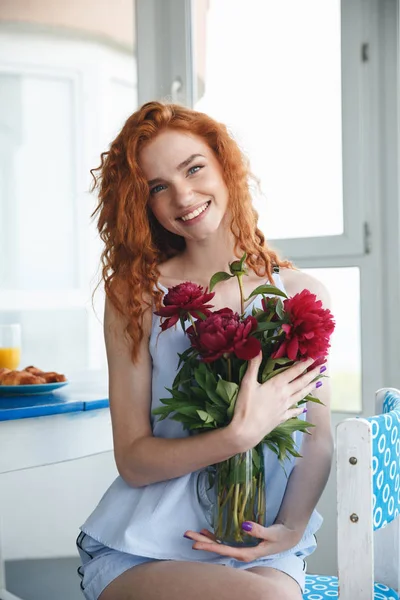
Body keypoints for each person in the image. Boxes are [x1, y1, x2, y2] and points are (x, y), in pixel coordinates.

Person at [76, 101, 334, 600]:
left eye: (194, 169)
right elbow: (133, 460)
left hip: (260, 545)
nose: (183, 195)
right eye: (158, 187)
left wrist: (293, 529)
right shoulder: (135, 294)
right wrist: (239, 435)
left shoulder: (301, 295)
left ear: (224, 166)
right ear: (144, 204)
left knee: (270, 595)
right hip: (144, 545)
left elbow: (317, 440)